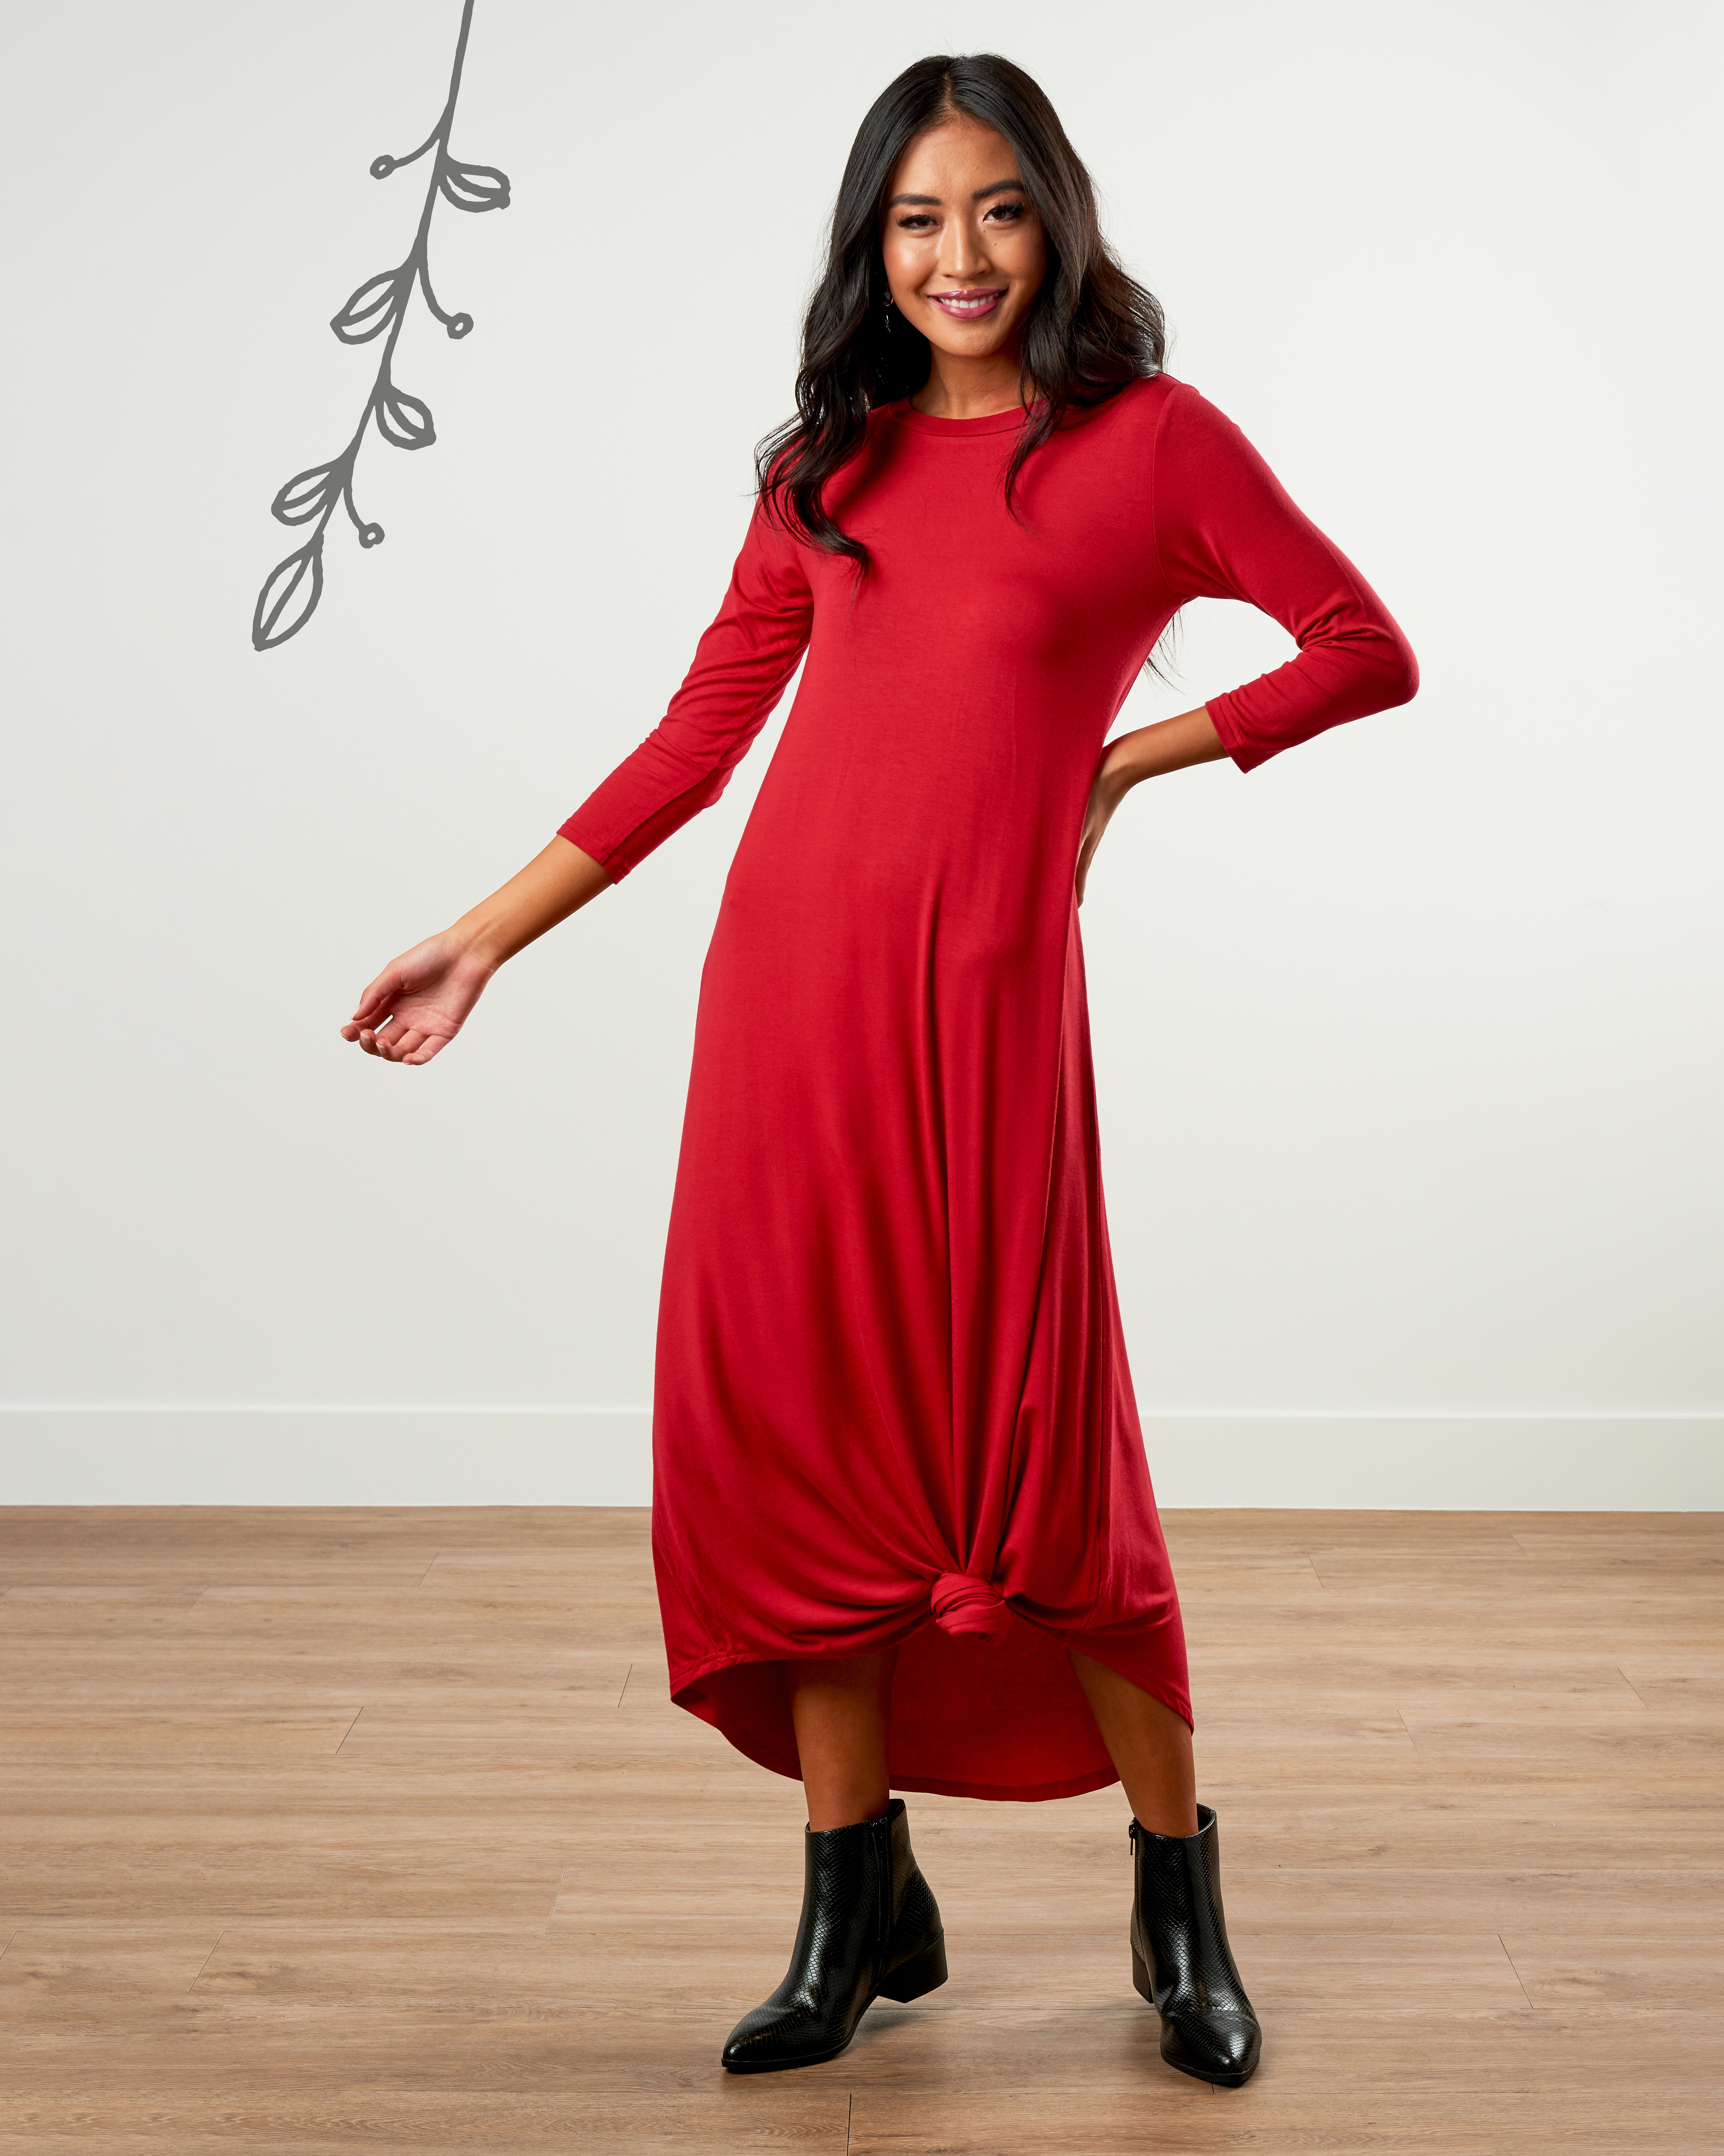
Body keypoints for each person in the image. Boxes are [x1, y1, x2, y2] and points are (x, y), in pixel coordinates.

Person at [341, 52, 1417, 2089]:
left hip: (994, 1008)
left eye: (997, 210)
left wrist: (1131, 761)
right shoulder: (821, 474)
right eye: (917, 220)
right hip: (788, 1008)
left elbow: (1364, 642)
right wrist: (483, 932)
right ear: (871, 246)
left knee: (1045, 1467)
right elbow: (691, 745)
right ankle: (853, 1898)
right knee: (811, 1447)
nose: (961, 256)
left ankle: (1175, 1892)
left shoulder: (1157, 445)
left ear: (1057, 221)